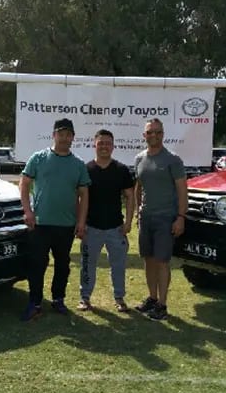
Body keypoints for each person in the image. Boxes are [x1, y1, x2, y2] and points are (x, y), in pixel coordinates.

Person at [19, 118, 90, 321]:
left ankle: (58, 299)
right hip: (40, 223)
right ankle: (35, 303)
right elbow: (24, 184)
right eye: (61, 134)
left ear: (73, 138)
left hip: (66, 225)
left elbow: (84, 195)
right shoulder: (39, 158)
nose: (64, 138)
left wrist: (81, 222)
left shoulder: (78, 164)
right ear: (54, 135)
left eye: (68, 135)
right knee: (37, 264)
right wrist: (28, 211)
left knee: (62, 264)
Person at [133, 118, 188, 320]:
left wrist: (181, 217)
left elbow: (182, 190)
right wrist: (138, 210)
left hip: (166, 218)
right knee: (148, 259)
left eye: (157, 132)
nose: (153, 135)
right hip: (146, 218)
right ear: (144, 135)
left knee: (162, 261)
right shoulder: (139, 159)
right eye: (150, 132)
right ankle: (152, 299)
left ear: (163, 134)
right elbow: (138, 187)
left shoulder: (173, 160)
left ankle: (162, 305)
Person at [78, 129, 135, 312]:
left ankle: (119, 298)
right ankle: (85, 298)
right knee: (87, 265)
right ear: (94, 144)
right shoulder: (86, 170)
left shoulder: (121, 170)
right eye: (100, 143)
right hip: (91, 228)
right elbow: (79, 198)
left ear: (113, 146)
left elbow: (130, 196)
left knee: (118, 265)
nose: (104, 146)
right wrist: (80, 224)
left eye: (108, 143)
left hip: (115, 228)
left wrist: (128, 222)